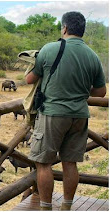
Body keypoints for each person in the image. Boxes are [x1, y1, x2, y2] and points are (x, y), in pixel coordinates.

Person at [25, 11, 106, 211]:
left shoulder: (50, 49)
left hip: (52, 114)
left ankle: (45, 208)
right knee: (70, 163)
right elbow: (101, 92)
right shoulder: (92, 55)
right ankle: (67, 207)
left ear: (65, 28)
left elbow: (29, 79)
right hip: (79, 115)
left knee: (43, 163)